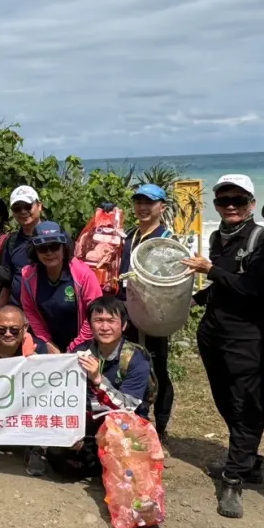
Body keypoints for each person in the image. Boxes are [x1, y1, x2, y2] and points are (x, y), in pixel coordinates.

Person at [182, 174, 264, 520]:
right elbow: (225, 285)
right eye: (224, 201)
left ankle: (235, 477)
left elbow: (253, 289)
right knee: (225, 400)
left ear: (251, 204)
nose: (231, 206)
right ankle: (247, 458)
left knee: (247, 404)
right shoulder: (217, 236)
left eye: (239, 200)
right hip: (213, 331)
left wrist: (210, 270)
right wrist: (192, 299)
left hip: (247, 335)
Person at [46, 296, 152, 478]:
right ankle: (96, 461)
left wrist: (98, 379)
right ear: (90, 324)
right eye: (98, 321)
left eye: (111, 321)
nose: (104, 327)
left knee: (118, 451)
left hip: (123, 426)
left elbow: (128, 407)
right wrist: (73, 431)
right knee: (56, 455)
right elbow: (64, 396)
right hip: (91, 423)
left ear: (124, 325)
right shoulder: (79, 353)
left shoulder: (136, 358)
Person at [118, 183, 175, 440]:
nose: (142, 207)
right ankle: (136, 418)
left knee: (157, 368)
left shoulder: (167, 240)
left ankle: (159, 427)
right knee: (129, 366)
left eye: (149, 203)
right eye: (139, 202)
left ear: (161, 207)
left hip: (153, 316)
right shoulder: (128, 236)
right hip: (126, 313)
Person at [0, 304, 53, 475]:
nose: (8, 334)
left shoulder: (39, 348)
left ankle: (34, 447)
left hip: (26, 405)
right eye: (1, 330)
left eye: (14, 330)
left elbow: (48, 390)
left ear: (25, 328)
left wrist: (41, 367)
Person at [20, 221, 103, 353]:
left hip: (85, 340)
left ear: (64, 247)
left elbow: (96, 312)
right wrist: (47, 342)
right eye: (42, 248)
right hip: (49, 341)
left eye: (54, 246)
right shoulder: (28, 276)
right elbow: (31, 312)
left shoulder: (83, 274)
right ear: (35, 251)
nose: (49, 253)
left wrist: (74, 346)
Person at [6, 185, 46, 304]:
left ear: (39, 206)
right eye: (17, 208)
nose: (23, 211)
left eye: (28, 206)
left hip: (46, 313)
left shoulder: (57, 236)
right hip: (18, 312)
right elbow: (8, 281)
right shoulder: (11, 241)